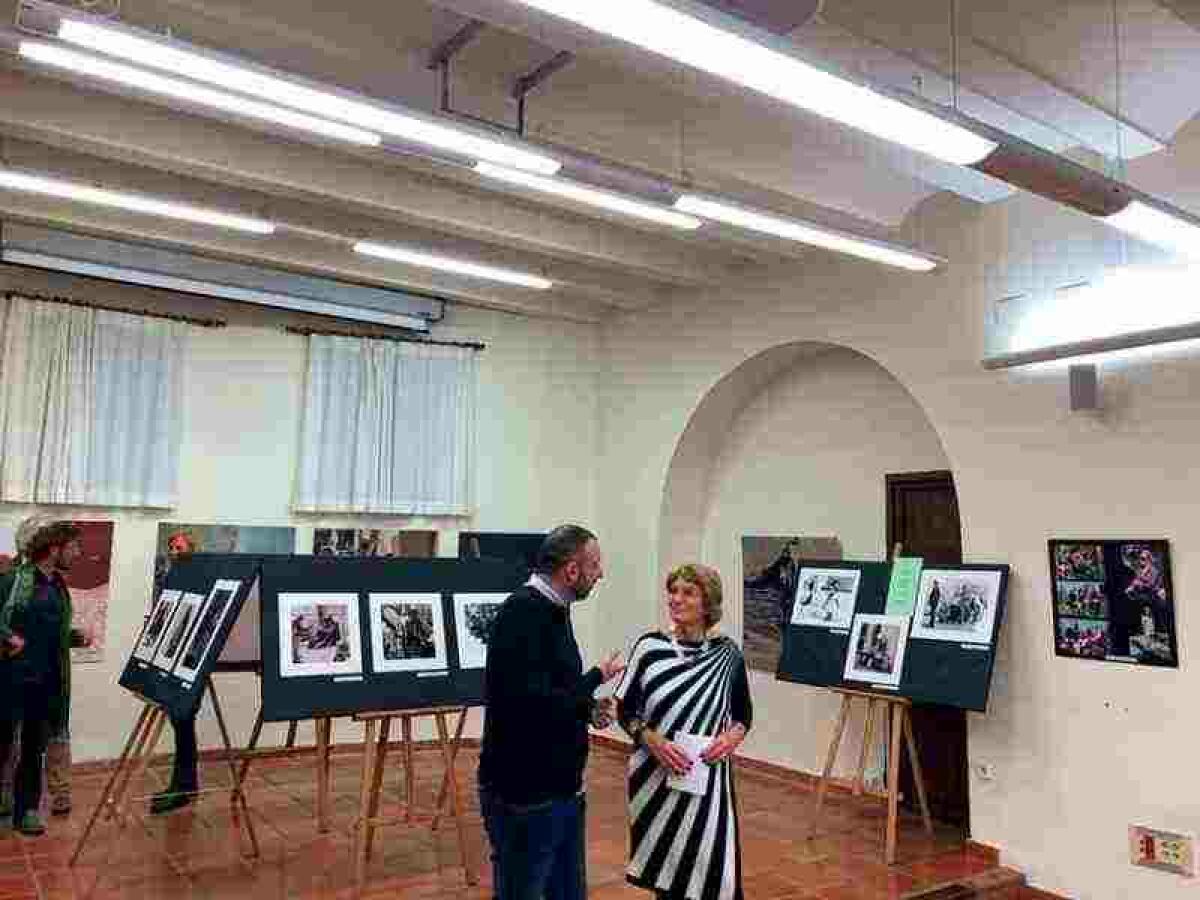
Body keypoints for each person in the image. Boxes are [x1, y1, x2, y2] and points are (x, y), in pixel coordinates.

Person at [478, 524, 625, 900]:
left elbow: (552, 688)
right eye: (594, 565)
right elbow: (529, 706)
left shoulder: (555, 609)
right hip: (527, 794)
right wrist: (595, 677)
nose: (601, 574)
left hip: (560, 789)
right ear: (571, 571)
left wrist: (587, 708)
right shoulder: (523, 612)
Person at [616, 564, 752, 900]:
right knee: (667, 872)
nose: (676, 599)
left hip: (709, 782)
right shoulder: (650, 648)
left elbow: (743, 716)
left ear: (708, 603)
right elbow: (625, 710)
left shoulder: (728, 655)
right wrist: (652, 739)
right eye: (673, 591)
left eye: (687, 592)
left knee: (712, 869)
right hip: (657, 778)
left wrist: (731, 738)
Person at [0, 517, 90, 835]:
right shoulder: (14, 580)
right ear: (54, 549)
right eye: (73, 546)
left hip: (47, 682)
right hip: (11, 679)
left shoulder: (57, 585)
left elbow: (50, 632)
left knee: (33, 749)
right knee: (2, 743)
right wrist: (8, 637)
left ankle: (26, 810)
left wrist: (74, 637)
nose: (77, 552)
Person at [148, 531, 199, 815]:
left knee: (182, 720)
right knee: (181, 724)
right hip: (172, 659)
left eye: (179, 548)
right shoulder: (172, 580)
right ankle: (186, 784)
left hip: (189, 663)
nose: (173, 552)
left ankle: (183, 786)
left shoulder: (195, 581)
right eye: (171, 548)